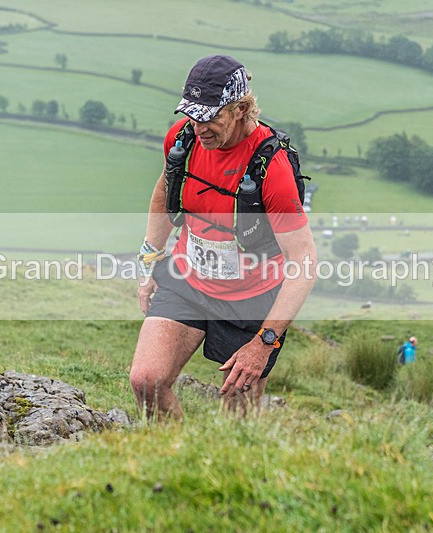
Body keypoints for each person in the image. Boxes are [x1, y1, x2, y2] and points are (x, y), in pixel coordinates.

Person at [129, 55, 316, 420]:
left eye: (210, 117)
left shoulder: (271, 167)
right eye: (192, 115)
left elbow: (304, 261)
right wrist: (149, 260)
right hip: (188, 280)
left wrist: (265, 342)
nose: (199, 128)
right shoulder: (182, 140)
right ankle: (171, 453)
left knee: (236, 421)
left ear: (241, 109)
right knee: (146, 381)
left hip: (252, 300)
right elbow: (165, 192)